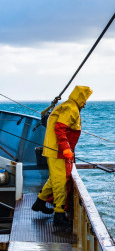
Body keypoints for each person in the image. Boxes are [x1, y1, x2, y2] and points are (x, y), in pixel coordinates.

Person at [32, 86, 93, 226]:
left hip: (54, 150)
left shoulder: (68, 106)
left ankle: (40, 202)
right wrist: (66, 149)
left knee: (55, 179)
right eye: (84, 100)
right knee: (60, 182)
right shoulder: (71, 108)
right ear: (80, 98)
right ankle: (59, 215)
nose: (85, 103)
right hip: (57, 151)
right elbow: (59, 129)